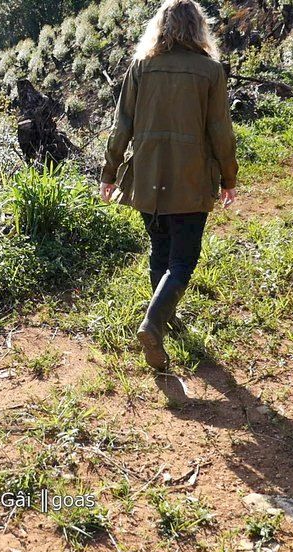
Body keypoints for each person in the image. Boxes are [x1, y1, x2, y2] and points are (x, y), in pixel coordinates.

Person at [99, 0, 238, 372]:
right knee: (183, 259)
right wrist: (229, 177)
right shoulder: (210, 71)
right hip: (191, 177)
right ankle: (154, 324)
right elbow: (220, 131)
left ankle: (163, 318)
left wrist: (109, 172)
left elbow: (121, 126)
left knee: (159, 248)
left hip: (147, 174)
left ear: (160, 27)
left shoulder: (141, 67)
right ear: (198, 27)